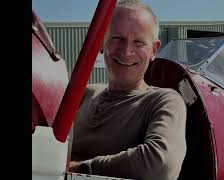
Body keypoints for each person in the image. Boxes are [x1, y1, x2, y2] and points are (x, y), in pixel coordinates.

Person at [69, 0, 187, 179]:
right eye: (117, 39)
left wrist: (77, 169)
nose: (126, 51)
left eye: (139, 42)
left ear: (154, 50)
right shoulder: (84, 93)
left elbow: (161, 164)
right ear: (101, 42)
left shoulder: (164, 101)